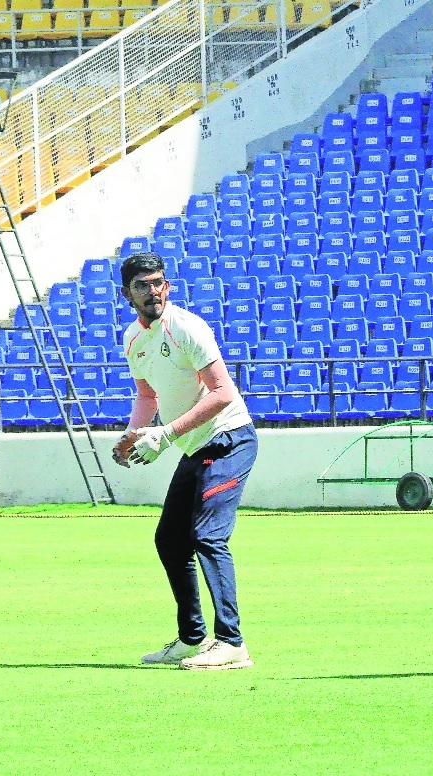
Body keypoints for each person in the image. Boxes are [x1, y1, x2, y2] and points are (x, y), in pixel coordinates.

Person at [113, 252, 259, 670]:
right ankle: (193, 637)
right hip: (197, 447)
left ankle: (232, 642)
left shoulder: (187, 327)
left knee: (208, 535)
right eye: (142, 285)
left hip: (229, 440)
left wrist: (165, 433)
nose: (153, 291)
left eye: (158, 282)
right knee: (170, 539)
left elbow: (223, 393)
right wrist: (131, 435)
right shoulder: (132, 339)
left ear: (168, 286)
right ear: (127, 294)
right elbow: (147, 396)